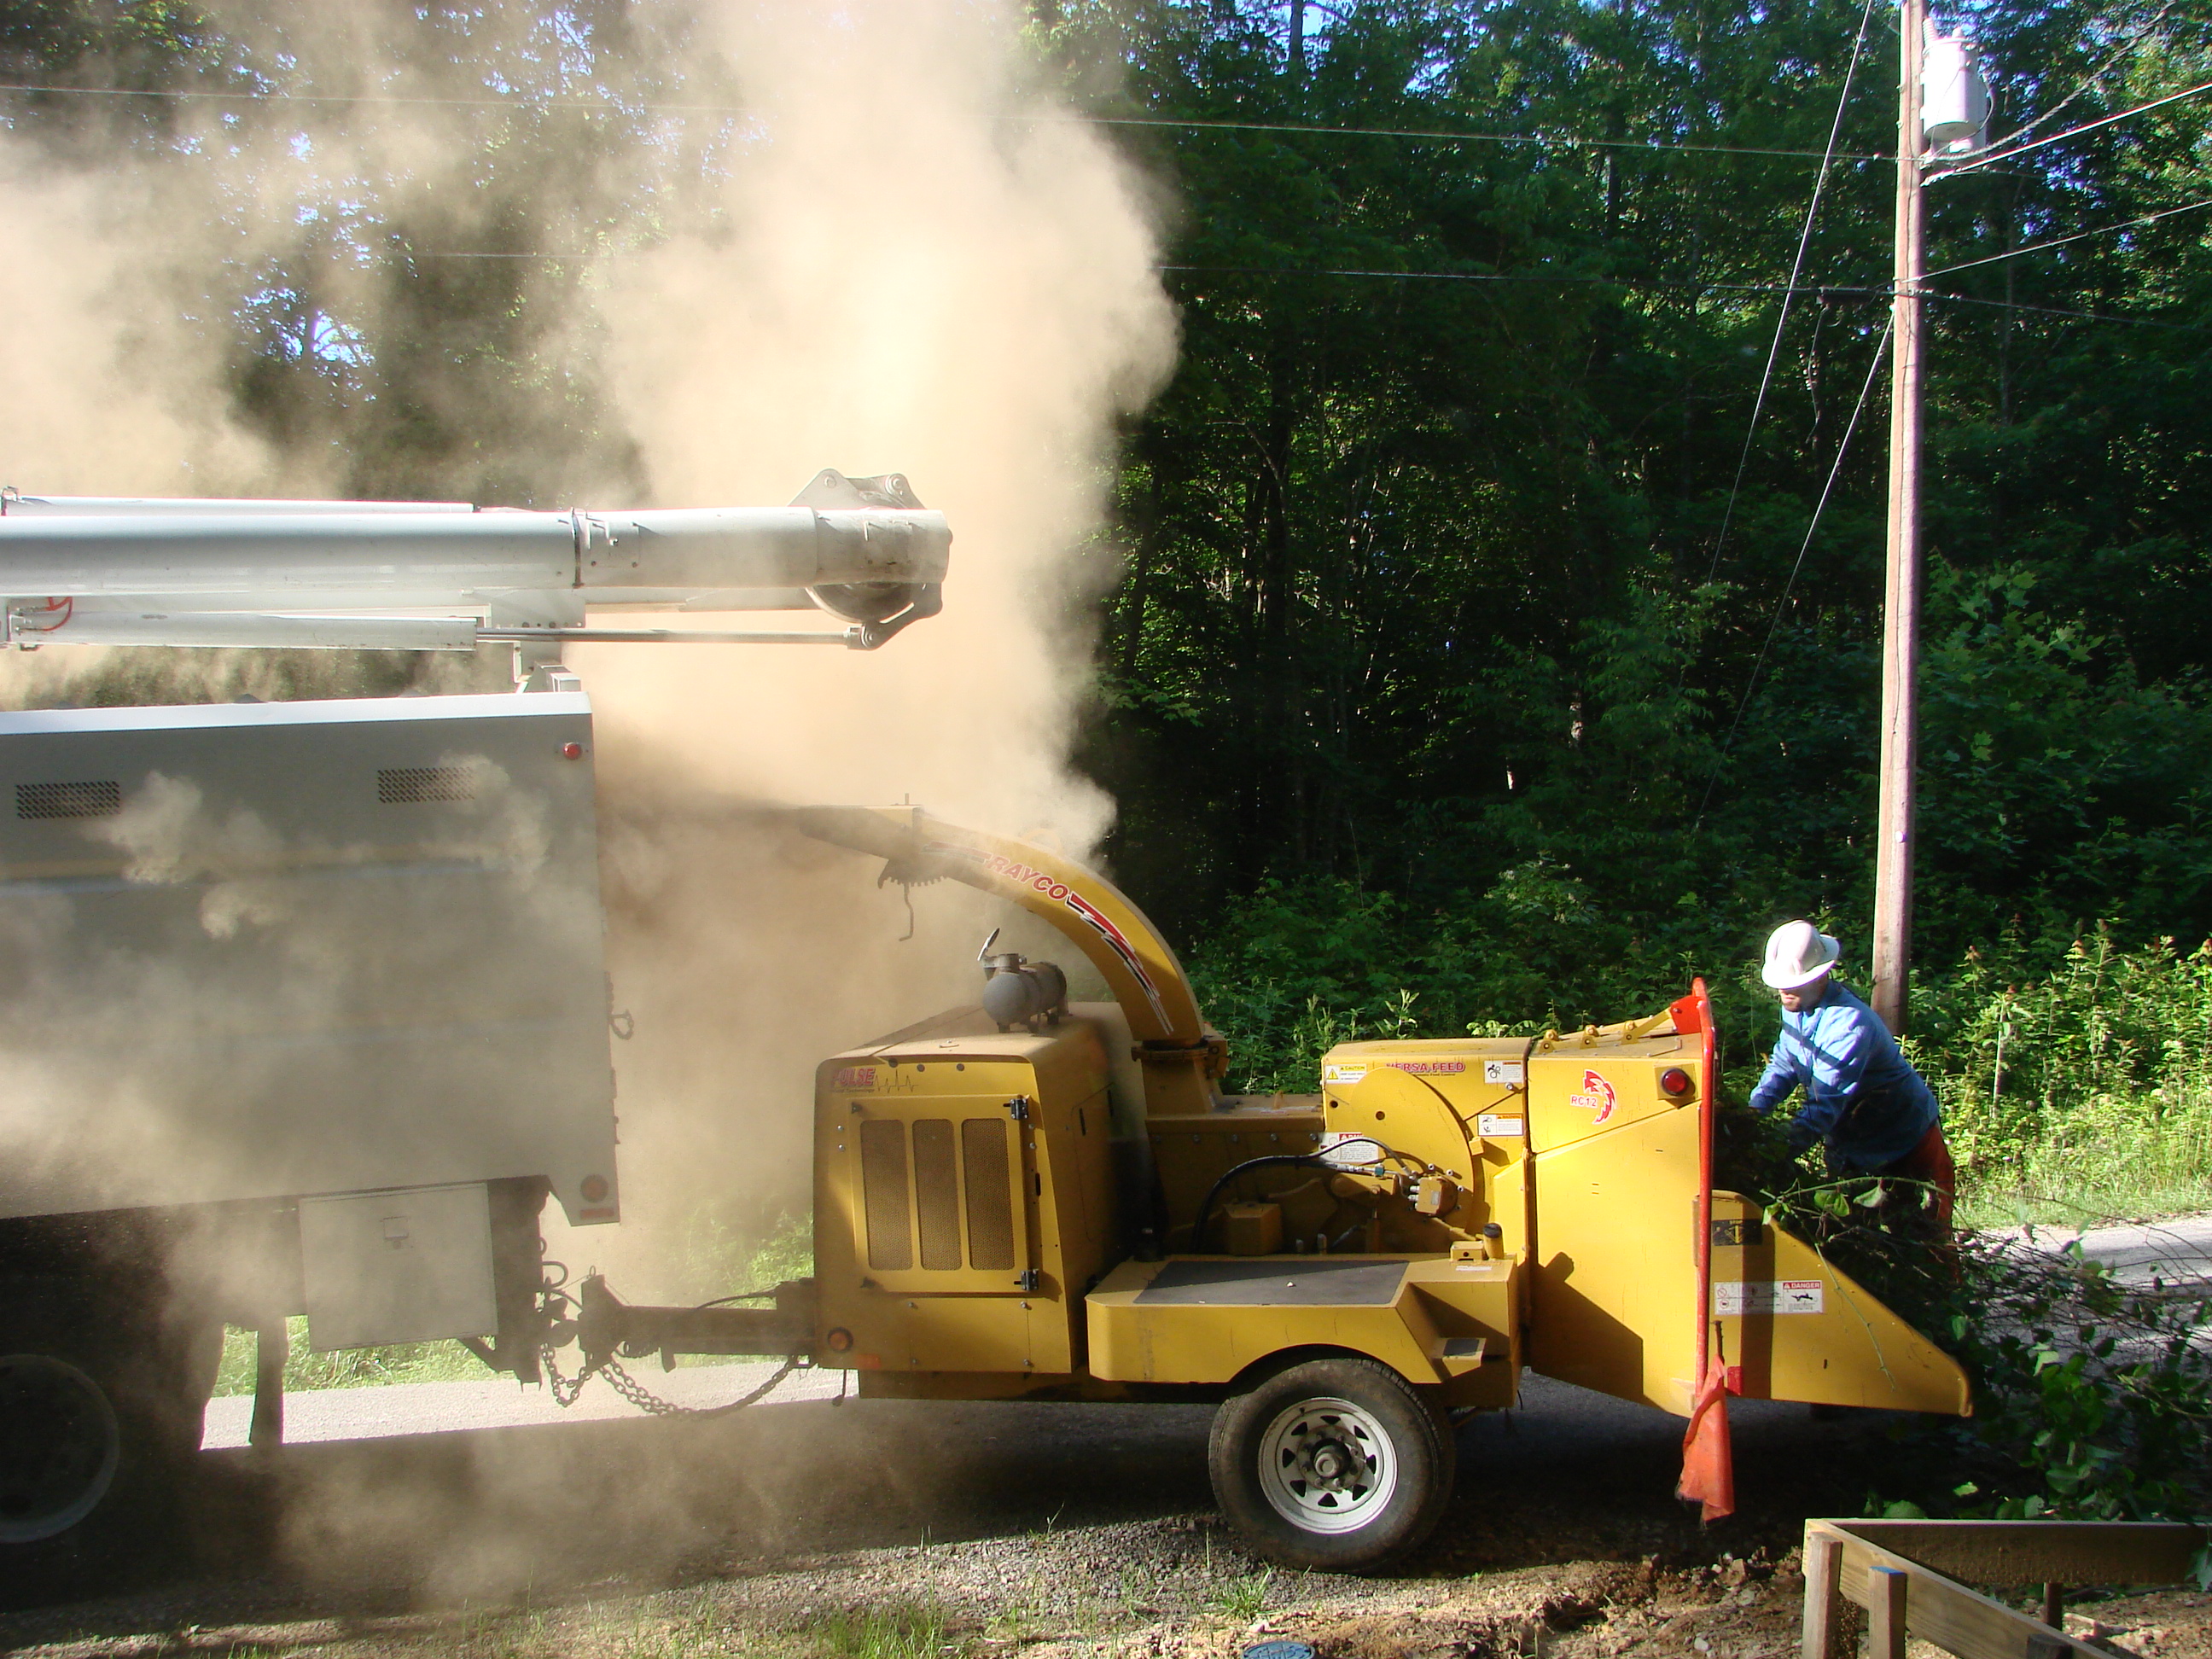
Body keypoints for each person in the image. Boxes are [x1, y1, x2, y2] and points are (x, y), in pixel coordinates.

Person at [1749, 920, 1956, 1225]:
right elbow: (1784, 1062)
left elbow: (1823, 1108)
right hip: (1853, 1142)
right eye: (1780, 984)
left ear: (1820, 977)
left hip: (1906, 1140)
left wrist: (1770, 1154)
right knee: (1853, 1232)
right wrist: (1752, 1115)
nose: (1784, 991)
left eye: (1793, 985)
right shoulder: (1795, 1004)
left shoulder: (1848, 1025)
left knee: (1922, 1234)